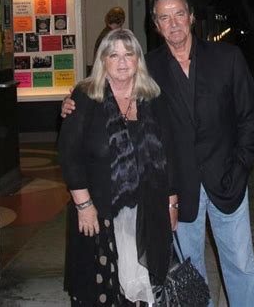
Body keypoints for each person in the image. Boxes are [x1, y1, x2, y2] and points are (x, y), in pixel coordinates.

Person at [63, 0, 254, 307]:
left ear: (192, 17)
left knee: (241, 265)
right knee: (189, 271)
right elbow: (111, 85)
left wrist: (241, 168)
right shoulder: (149, 68)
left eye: (179, 14)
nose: (173, 24)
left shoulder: (227, 58)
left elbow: (249, 121)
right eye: (164, 17)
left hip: (228, 181)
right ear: (155, 25)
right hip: (179, 189)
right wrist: (73, 102)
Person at [59, 28, 178, 306]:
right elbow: (69, 154)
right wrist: (83, 206)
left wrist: (172, 202)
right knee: (104, 289)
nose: (122, 61)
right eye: (114, 55)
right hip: (100, 212)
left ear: (138, 59)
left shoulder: (153, 97)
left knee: (146, 288)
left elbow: (168, 153)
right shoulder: (86, 97)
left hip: (148, 211)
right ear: (103, 61)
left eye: (129, 54)